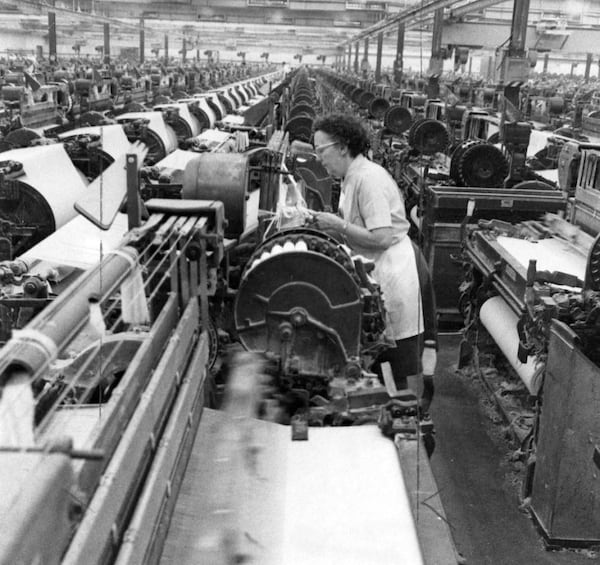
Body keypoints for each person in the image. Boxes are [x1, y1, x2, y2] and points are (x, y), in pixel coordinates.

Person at [311, 113, 436, 410]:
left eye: (321, 150)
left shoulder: (368, 178)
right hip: (381, 265)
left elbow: (380, 237)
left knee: (392, 360)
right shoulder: (353, 176)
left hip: (394, 269)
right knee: (384, 356)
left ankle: (403, 416)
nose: (319, 159)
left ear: (342, 147)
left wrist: (337, 226)